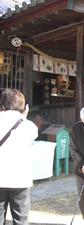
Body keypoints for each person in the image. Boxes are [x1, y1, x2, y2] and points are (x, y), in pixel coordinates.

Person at [0, 88, 38, 225]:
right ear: (24, 107)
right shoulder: (29, 126)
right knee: (21, 219)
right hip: (20, 179)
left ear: (2, 105)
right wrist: (24, 117)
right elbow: (33, 134)